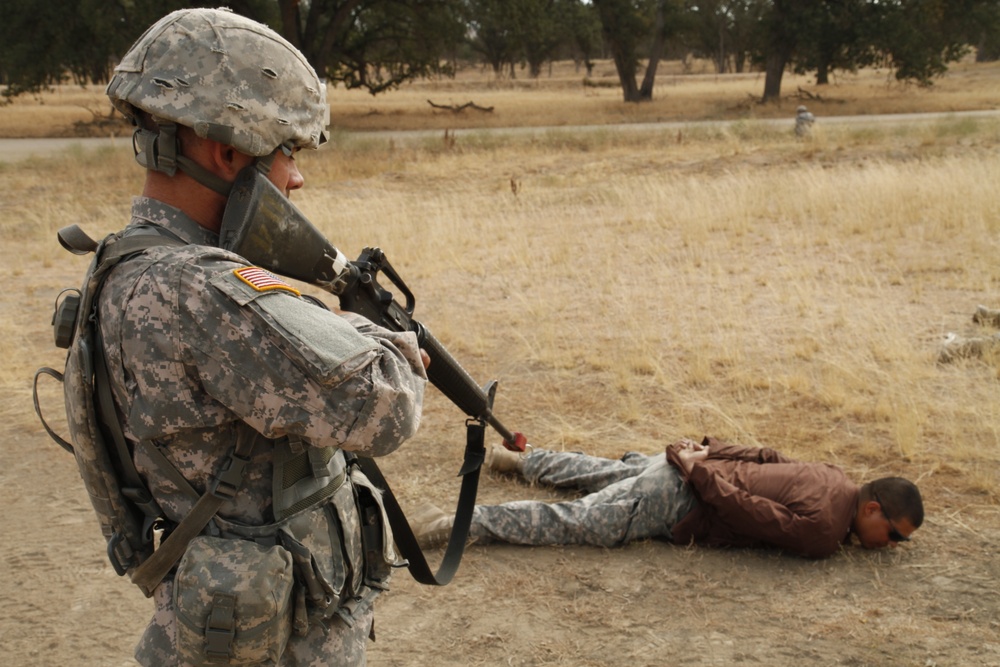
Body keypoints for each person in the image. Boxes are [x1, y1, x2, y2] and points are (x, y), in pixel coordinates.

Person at [94, 8, 427, 665]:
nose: (297, 178)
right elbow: (389, 402)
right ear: (227, 151)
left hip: (226, 614)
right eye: (289, 150)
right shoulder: (206, 293)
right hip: (274, 639)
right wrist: (372, 331)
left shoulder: (128, 261)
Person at [413, 437, 923, 559]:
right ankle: (456, 523)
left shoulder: (836, 477)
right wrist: (697, 473)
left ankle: (521, 461)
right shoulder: (825, 533)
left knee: (603, 472)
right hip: (683, 492)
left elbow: (766, 456)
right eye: (894, 535)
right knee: (581, 522)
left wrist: (705, 450)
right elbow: (747, 510)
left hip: (682, 467)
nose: (892, 545)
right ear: (873, 509)